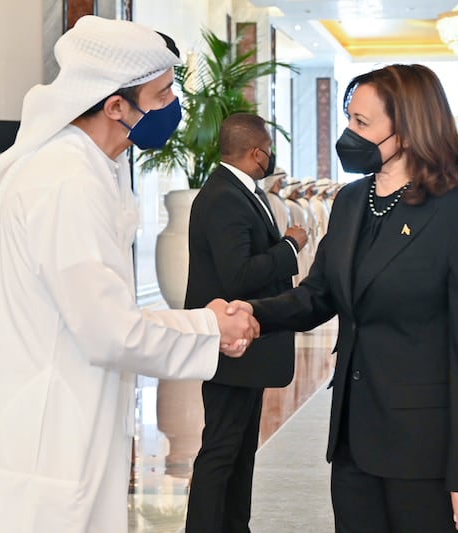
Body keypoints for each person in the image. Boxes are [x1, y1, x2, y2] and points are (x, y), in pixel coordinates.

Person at [0, 17, 258, 533]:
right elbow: (110, 331)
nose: (174, 107)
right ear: (115, 106)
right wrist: (209, 328)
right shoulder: (66, 182)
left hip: (53, 417)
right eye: (162, 93)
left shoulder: (87, 168)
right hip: (47, 435)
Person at [239, 64, 458, 532]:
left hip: (426, 450)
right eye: (349, 119)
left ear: (407, 127)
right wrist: (252, 313)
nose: (348, 133)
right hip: (354, 437)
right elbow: (319, 295)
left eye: (362, 124)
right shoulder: (351, 200)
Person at [184, 112, 307, 532]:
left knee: (239, 448)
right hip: (229, 344)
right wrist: (290, 245)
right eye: (269, 151)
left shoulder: (240, 191)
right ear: (257, 153)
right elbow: (237, 275)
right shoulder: (223, 196)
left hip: (246, 346)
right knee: (221, 448)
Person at [262, 166, 290, 236]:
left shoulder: (277, 198)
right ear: (277, 179)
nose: (286, 180)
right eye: (283, 178)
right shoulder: (271, 199)